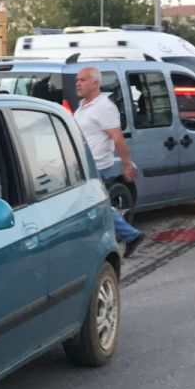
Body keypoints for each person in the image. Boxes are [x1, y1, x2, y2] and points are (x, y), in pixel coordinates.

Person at [72, 67, 146, 258]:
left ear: (95, 83)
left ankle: (128, 236)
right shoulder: (83, 105)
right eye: (77, 80)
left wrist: (126, 164)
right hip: (82, 165)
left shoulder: (104, 107)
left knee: (92, 204)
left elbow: (117, 138)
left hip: (96, 166)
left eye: (83, 80)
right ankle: (130, 235)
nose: (78, 83)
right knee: (93, 204)